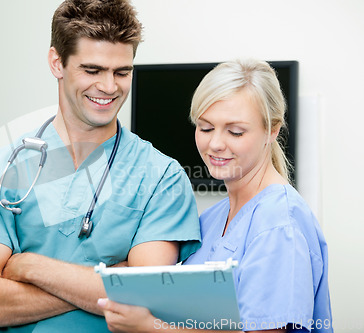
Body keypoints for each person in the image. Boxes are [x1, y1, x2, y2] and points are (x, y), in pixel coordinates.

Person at [0, 1, 201, 332]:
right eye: (92, 70)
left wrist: (30, 267)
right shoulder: (2, 168)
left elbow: (144, 301)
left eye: (122, 72)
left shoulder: (161, 177)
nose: (109, 87)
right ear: (57, 62)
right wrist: (112, 279)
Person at [99, 58, 333, 333]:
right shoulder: (213, 219)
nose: (216, 144)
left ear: (272, 130)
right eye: (205, 127)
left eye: (235, 131)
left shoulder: (279, 222)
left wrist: (150, 327)